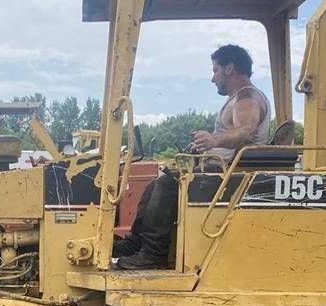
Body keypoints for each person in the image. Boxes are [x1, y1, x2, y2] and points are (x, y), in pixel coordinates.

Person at [114, 44, 271, 270]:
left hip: (231, 172)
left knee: (166, 185)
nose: (213, 78)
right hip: (225, 168)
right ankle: (136, 242)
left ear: (229, 69)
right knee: (156, 184)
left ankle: (153, 254)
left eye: (215, 70)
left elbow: (245, 131)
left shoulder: (247, 98)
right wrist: (203, 147)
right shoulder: (239, 98)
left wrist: (214, 140)